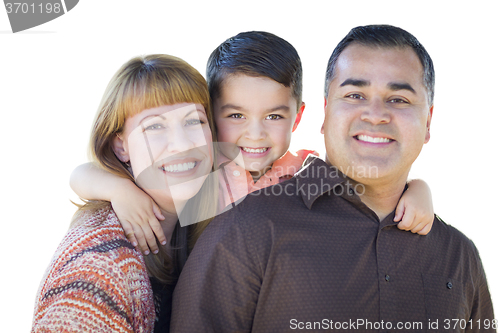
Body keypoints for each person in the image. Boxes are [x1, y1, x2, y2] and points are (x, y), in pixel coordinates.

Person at [170, 25, 495, 332]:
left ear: (428, 122)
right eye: (355, 95)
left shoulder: (459, 256)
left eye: (399, 99)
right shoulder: (243, 226)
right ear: (325, 114)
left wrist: (419, 189)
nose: (376, 113)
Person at [70, 31, 435, 258]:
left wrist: (418, 190)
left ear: (297, 116)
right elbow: (82, 174)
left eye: (274, 117)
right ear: (211, 118)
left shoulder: (299, 174)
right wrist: (120, 190)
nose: (256, 135)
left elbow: (365, 186)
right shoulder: (202, 173)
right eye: (236, 116)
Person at [31, 54, 218, 333]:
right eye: (154, 126)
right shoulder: (97, 270)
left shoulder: (207, 218)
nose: (181, 144)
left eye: (194, 121)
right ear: (121, 147)